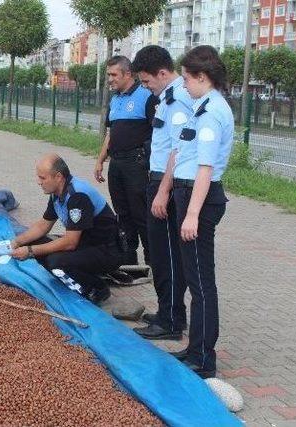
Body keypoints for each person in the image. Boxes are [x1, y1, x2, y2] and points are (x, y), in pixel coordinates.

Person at [169, 46, 235, 379]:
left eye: (185, 79)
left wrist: (192, 214)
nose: (183, 86)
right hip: (191, 194)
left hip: (200, 199)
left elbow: (205, 168)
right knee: (196, 278)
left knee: (201, 283)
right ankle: (195, 349)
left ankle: (204, 358)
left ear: (202, 77)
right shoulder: (204, 105)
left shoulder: (211, 112)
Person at [130, 45, 193, 341]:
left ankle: (170, 321)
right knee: (161, 253)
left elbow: (178, 151)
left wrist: (163, 191)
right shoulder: (168, 97)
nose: (145, 87)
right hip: (158, 181)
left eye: (146, 81)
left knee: (166, 255)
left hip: (165, 185)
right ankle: (168, 312)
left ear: (163, 73)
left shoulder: (178, 100)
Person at [11, 153, 126, 305]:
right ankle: (73, 275)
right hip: (86, 244)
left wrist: (30, 251)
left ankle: (96, 288)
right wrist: (17, 242)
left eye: (43, 178)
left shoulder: (77, 196)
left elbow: (70, 242)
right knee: (34, 241)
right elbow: (43, 225)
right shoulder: (57, 193)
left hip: (106, 250)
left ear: (58, 177)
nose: (39, 182)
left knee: (55, 261)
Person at [94, 56, 159, 266]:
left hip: (136, 164)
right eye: (108, 75)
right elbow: (111, 133)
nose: (110, 79)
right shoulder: (115, 99)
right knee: (122, 214)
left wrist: (148, 162)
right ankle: (129, 260)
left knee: (141, 214)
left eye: (113, 75)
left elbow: (157, 133)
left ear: (128, 74)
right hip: (117, 164)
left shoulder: (146, 96)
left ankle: (153, 262)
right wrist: (100, 160)